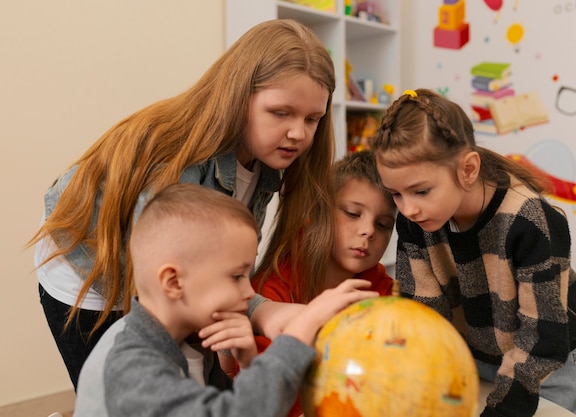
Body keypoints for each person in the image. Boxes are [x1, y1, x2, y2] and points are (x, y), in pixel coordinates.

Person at [28, 18, 337, 389]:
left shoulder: (267, 159)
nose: (298, 133)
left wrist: (259, 312)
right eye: (281, 113)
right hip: (90, 266)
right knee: (124, 396)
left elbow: (210, 264)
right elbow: (167, 288)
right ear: (239, 97)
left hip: (163, 274)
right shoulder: (178, 169)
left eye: (312, 119)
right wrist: (258, 312)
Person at [369, 88, 576, 417]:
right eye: (396, 195)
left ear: (468, 169)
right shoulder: (416, 221)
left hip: (546, 372)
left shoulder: (531, 221)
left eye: (421, 191)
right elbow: (424, 317)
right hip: (473, 363)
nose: (408, 208)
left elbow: (543, 338)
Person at [72, 184, 378, 417]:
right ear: (174, 282)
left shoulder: (185, 336)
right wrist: (301, 331)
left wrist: (248, 362)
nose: (249, 292)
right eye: (236, 276)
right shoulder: (130, 365)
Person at [246, 150, 397, 417]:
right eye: (352, 213)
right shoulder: (274, 285)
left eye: (384, 224)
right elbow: (268, 395)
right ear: (317, 212)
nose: (369, 231)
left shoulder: (383, 291)